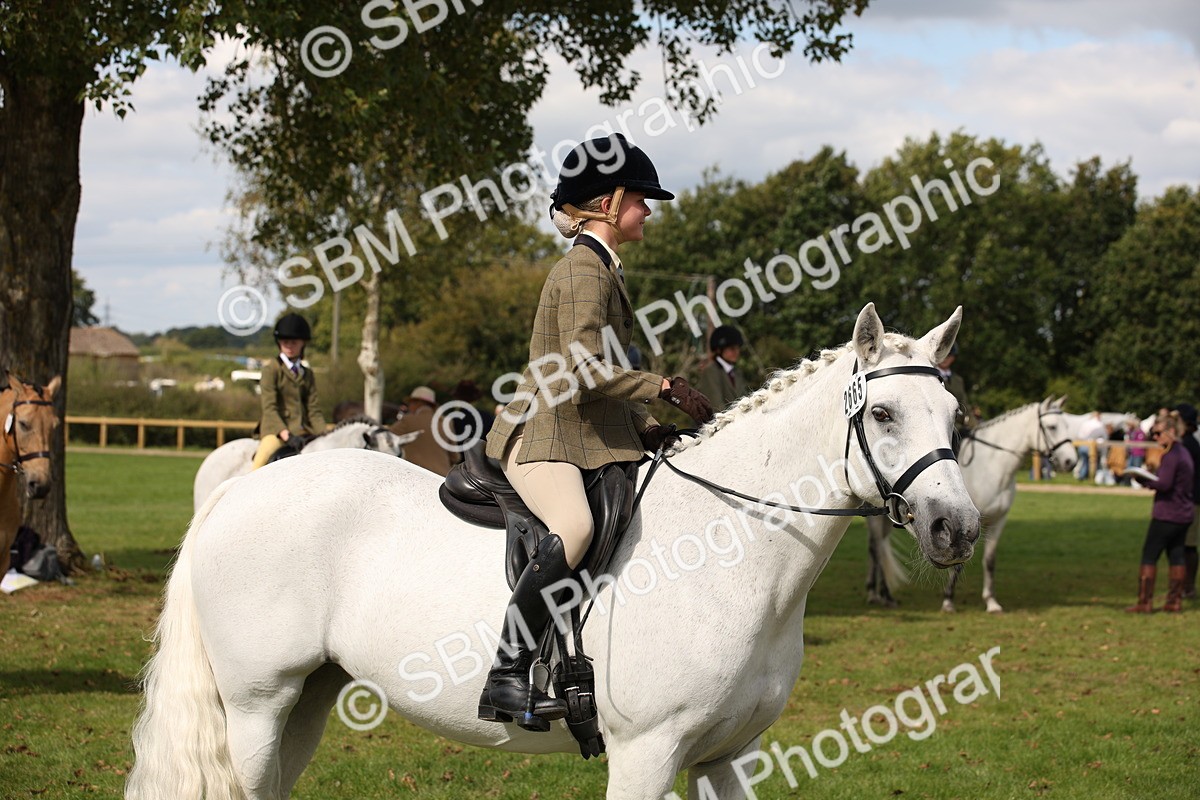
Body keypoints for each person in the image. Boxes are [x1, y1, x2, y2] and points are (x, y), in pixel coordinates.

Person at [480, 133, 714, 731]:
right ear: (609, 203)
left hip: (584, 431)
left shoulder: (603, 269)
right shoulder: (585, 270)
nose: (649, 210)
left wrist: (650, 426)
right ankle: (507, 673)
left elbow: (606, 373)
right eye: (640, 198)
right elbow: (585, 371)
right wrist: (660, 386)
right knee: (575, 527)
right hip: (544, 434)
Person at [1124, 416, 1194, 613]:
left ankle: (1144, 602)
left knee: (1149, 555)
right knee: (1176, 555)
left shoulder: (1171, 455)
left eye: (1158, 433)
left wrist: (1142, 480)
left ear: (1171, 432)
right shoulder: (1184, 452)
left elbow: (1164, 484)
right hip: (1184, 513)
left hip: (1167, 514)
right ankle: (1174, 601)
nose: (1155, 437)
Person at [251, 313, 326, 469]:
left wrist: (325, 434)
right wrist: (286, 434)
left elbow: (314, 410)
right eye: (285, 342)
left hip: (304, 431)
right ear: (279, 343)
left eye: (294, 342)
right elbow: (269, 408)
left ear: (302, 343)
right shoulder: (271, 370)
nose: (289, 346)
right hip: (276, 432)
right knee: (260, 462)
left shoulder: (307, 374)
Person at [390, 386, 454, 477]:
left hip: (416, 476)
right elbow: (455, 456)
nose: (409, 406)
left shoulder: (408, 420)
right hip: (443, 477)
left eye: (411, 403)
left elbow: (385, 439)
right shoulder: (446, 422)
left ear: (418, 403)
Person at [1173, 403, 1200, 599]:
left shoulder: (1188, 446)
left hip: (1192, 500)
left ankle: (1188, 587)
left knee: (1188, 545)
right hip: (1190, 499)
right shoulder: (1186, 444)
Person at [696, 325, 749, 411]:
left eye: (737, 348)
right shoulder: (711, 371)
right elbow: (716, 406)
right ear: (719, 350)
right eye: (732, 348)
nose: (736, 352)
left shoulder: (736, 372)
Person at [936, 343, 976, 446]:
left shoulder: (958, 380)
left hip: (960, 426)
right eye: (942, 355)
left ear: (953, 357)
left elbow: (964, 403)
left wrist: (974, 425)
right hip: (942, 426)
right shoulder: (933, 377)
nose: (945, 358)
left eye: (948, 355)